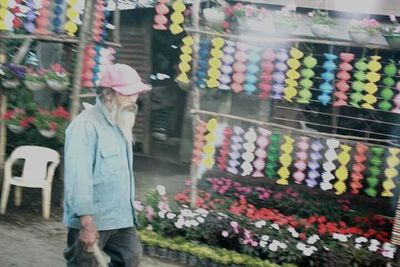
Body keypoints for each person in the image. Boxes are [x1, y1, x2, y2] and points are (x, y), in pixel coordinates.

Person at [63, 63, 151, 267]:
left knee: (130, 258)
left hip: (120, 216)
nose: (133, 99)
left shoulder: (122, 121)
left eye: (136, 94)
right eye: (127, 94)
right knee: (84, 264)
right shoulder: (85, 126)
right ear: (108, 94)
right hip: (92, 219)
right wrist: (86, 222)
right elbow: (78, 177)